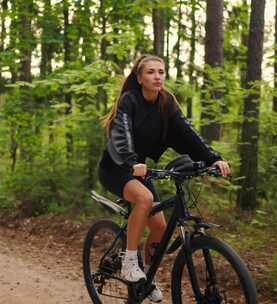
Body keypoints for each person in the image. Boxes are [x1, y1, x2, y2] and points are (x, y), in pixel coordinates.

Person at [98, 54, 230, 302]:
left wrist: (213, 158)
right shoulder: (130, 100)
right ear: (139, 77)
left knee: (159, 227)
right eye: (150, 72)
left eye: (161, 71)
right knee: (145, 199)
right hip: (116, 167)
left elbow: (187, 133)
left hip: (140, 170)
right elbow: (121, 133)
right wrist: (130, 162)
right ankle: (128, 262)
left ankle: (145, 276)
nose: (157, 76)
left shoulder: (166, 102)